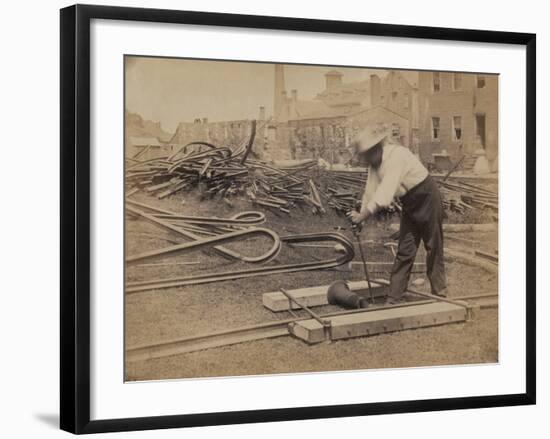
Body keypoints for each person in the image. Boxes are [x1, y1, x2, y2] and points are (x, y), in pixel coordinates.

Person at [347, 126, 447, 302]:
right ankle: (394, 298)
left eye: (367, 156)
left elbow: (385, 194)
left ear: (376, 149)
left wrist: (363, 216)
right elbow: (370, 192)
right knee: (405, 249)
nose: (366, 161)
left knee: (433, 245)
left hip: (427, 196)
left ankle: (440, 293)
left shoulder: (396, 156)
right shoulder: (375, 165)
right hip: (409, 202)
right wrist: (360, 219)